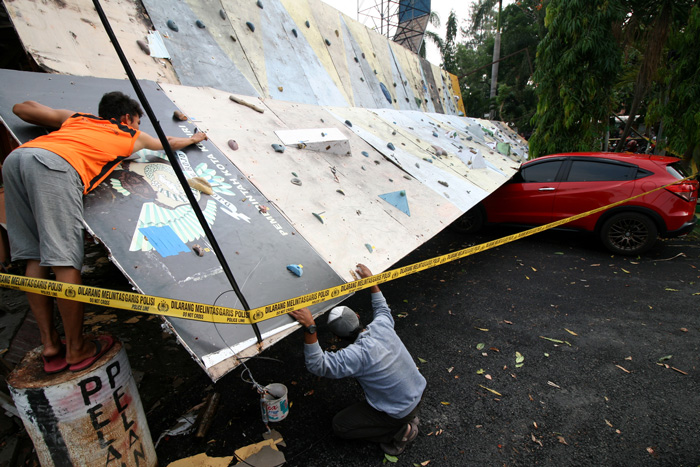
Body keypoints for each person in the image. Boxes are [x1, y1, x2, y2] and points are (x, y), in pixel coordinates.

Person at [3, 91, 207, 373]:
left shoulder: (76, 119)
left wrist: (64, 119)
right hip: (56, 168)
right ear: (127, 118)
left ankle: (50, 345)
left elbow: (21, 108)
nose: (137, 127)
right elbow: (168, 143)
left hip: (17, 160)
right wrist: (194, 139)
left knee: (34, 258)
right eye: (137, 122)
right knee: (64, 260)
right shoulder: (129, 135)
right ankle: (76, 348)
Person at [289, 264, 426, 456]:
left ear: (336, 338)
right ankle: (403, 417)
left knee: (340, 426)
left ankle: (401, 432)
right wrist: (371, 280)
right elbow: (382, 307)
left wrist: (310, 326)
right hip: (417, 393)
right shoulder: (383, 325)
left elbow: (316, 364)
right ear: (358, 317)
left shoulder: (355, 356)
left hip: (399, 410)